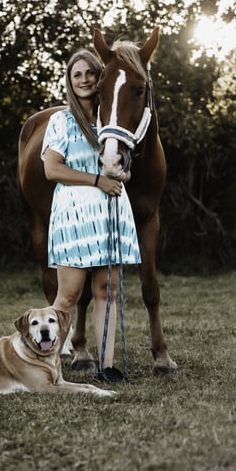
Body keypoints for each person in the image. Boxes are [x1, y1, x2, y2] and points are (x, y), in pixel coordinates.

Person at [41, 49, 141, 383]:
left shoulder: (110, 118)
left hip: (110, 212)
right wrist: (97, 180)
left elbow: (124, 163)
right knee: (68, 294)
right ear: (69, 82)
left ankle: (106, 367)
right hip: (75, 215)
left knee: (107, 292)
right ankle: (48, 367)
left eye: (89, 73)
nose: (84, 80)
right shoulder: (62, 120)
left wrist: (121, 174)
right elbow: (52, 169)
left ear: (99, 77)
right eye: (77, 75)